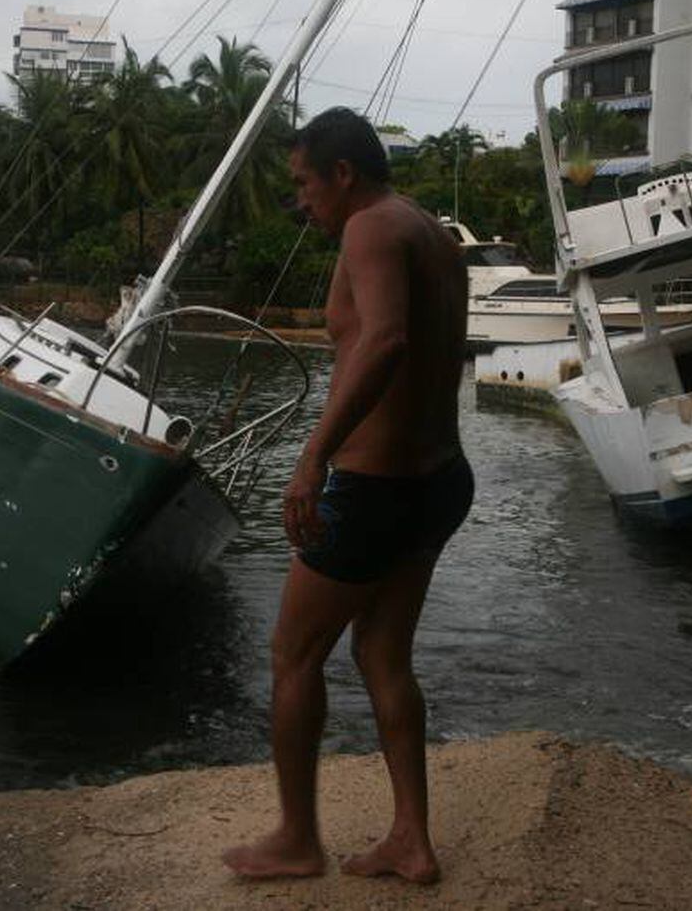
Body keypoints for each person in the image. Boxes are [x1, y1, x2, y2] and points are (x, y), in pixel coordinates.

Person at [222, 107, 473, 885]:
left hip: (373, 489)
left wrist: (312, 459)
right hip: (438, 481)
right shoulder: (430, 232)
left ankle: (298, 838)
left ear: (342, 174)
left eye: (305, 184)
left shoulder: (370, 227)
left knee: (293, 654)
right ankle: (411, 840)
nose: (303, 203)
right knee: (382, 654)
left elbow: (386, 340)